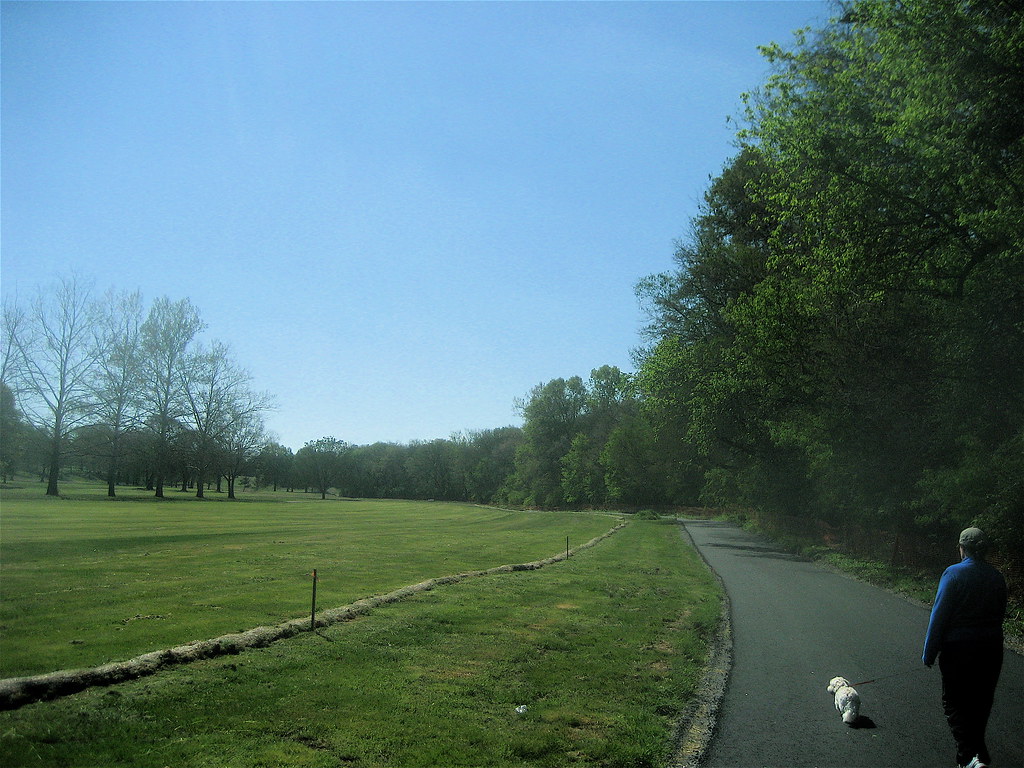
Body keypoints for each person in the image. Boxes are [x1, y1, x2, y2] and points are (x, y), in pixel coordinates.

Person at [923, 527, 1007, 768]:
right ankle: (976, 755)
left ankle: (969, 757)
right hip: (991, 649)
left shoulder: (953, 574)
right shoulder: (996, 577)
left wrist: (930, 652)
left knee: (955, 702)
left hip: (958, 650)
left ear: (962, 548)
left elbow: (939, 616)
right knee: (981, 702)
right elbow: (999, 613)